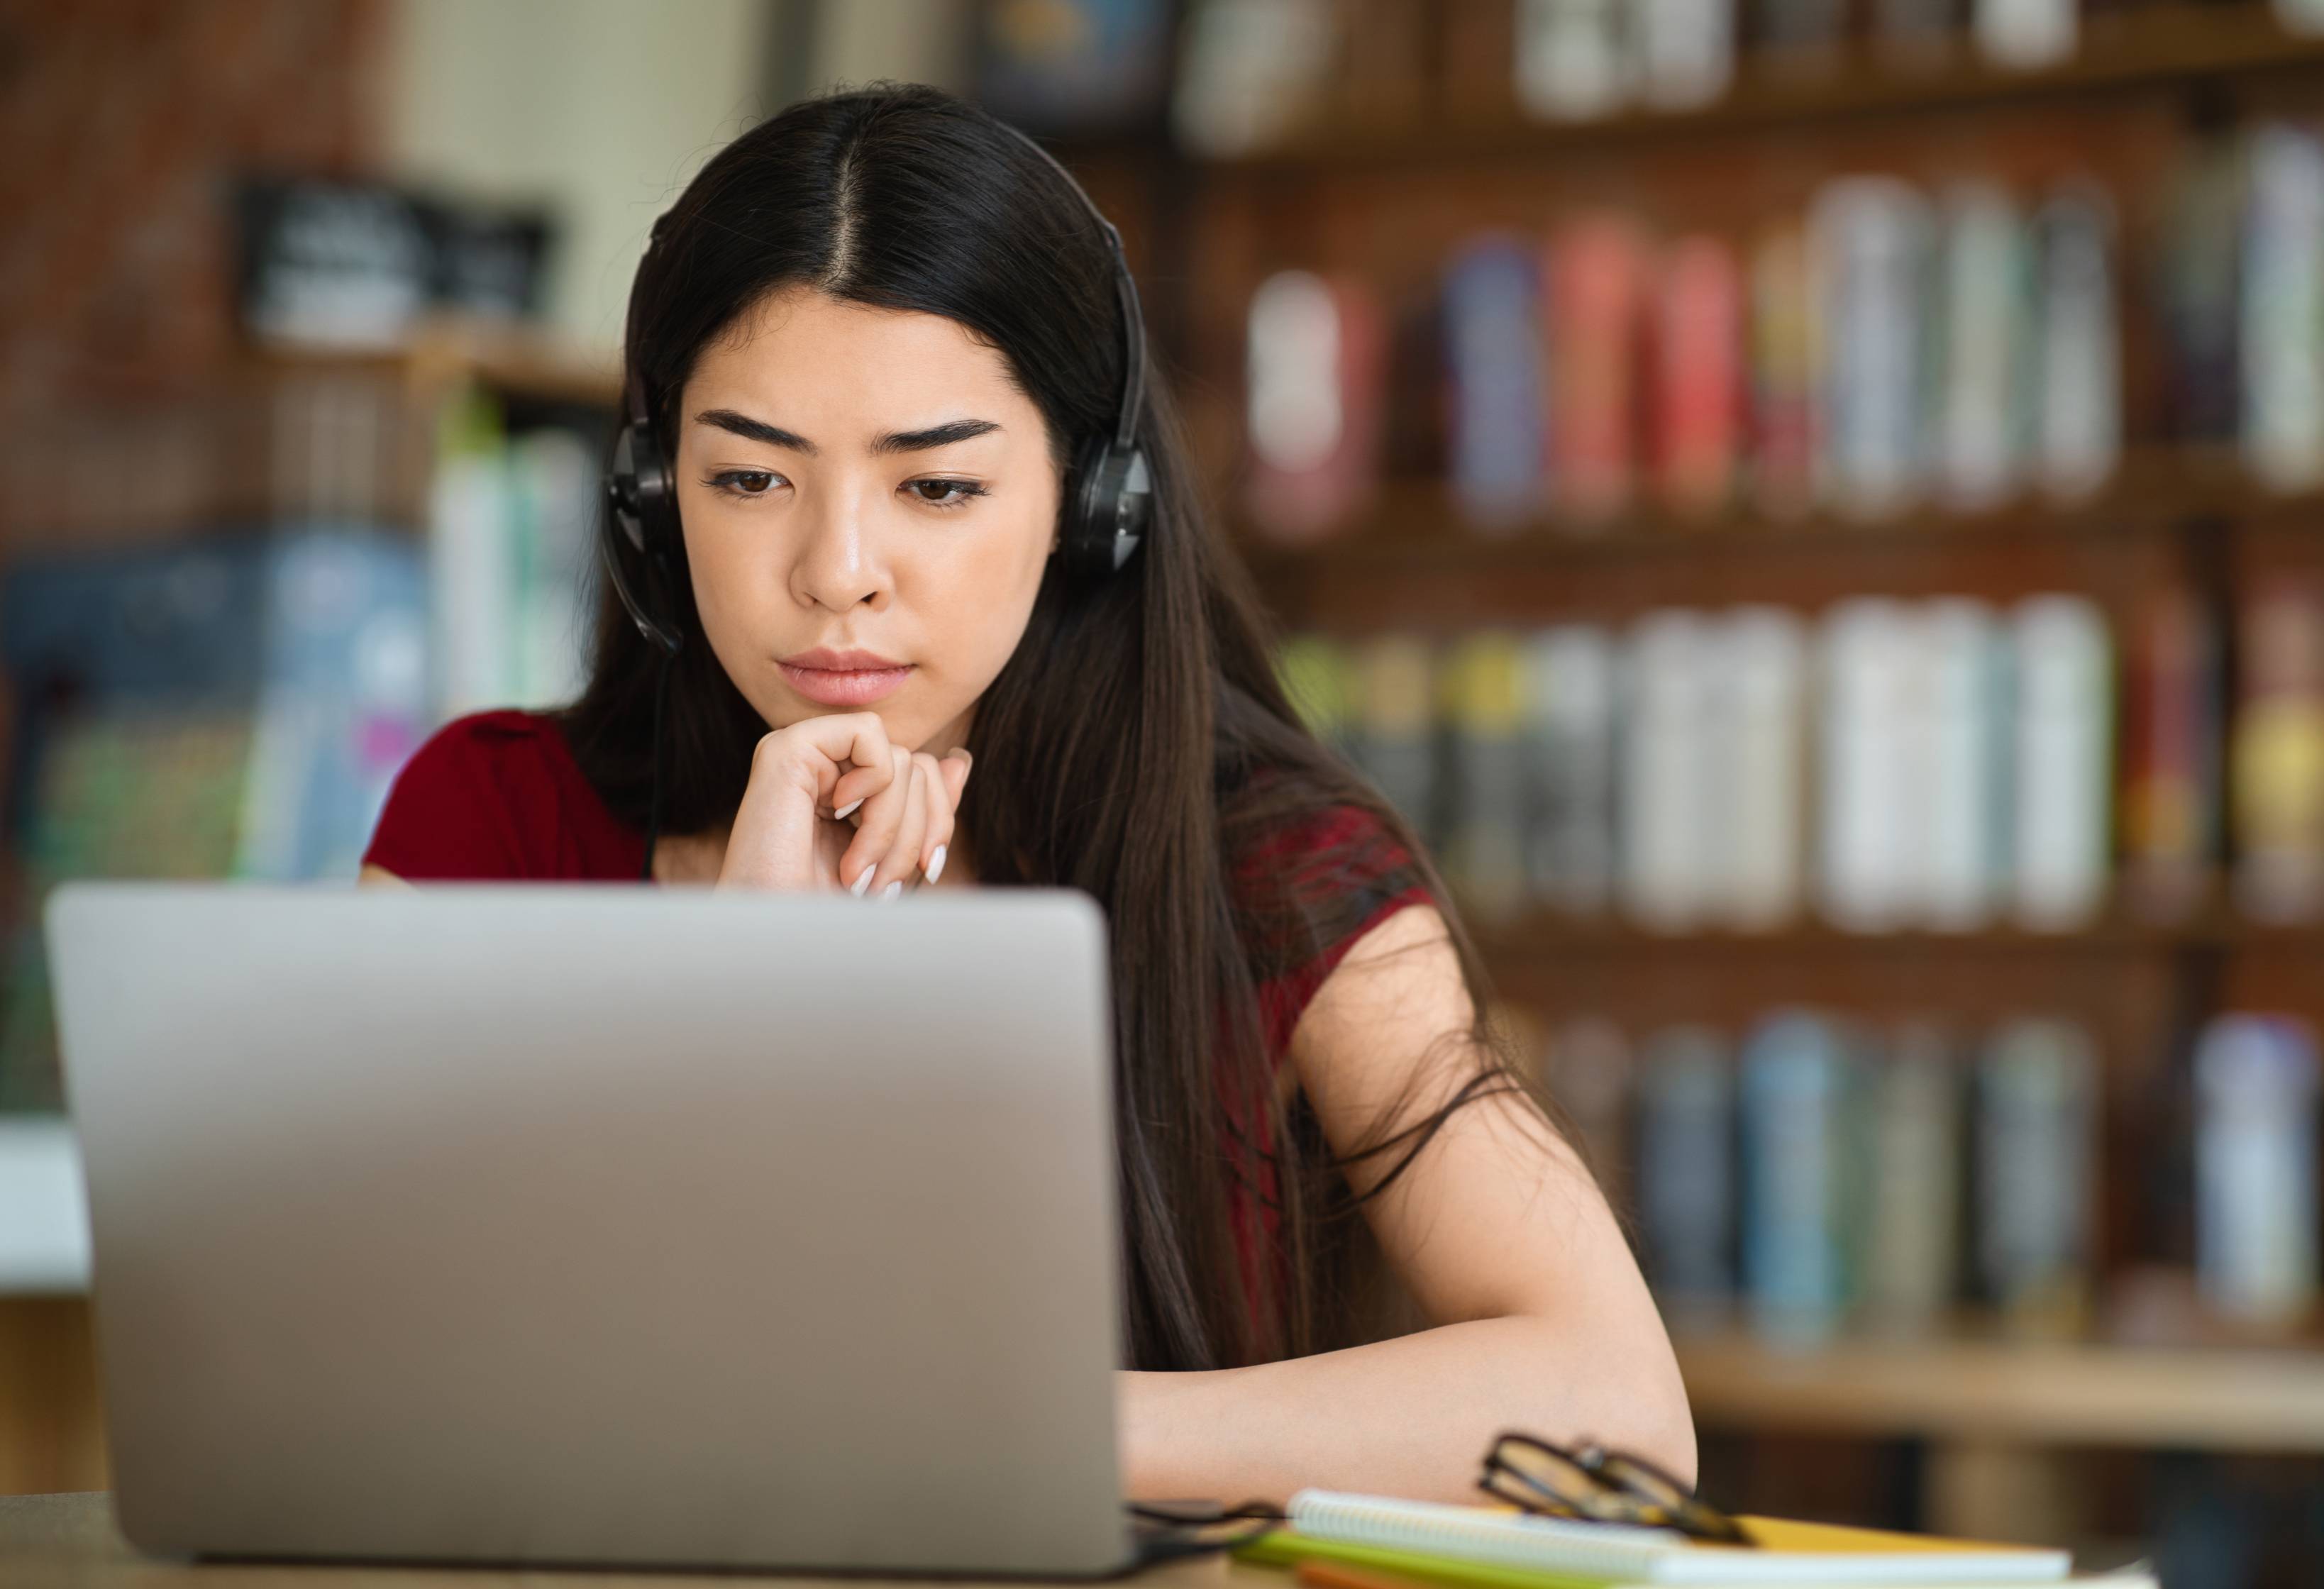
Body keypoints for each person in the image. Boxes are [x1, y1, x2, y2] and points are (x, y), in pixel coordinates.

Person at [360, 80, 1691, 1507]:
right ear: (648, 495)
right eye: (749, 478)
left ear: (1089, 504)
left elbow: (1614, 1412)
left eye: (935, 491)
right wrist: (732, 998)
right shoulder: (484, 825)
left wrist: (992, 1426)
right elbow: (347, 1363)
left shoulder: (1275, 870)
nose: (835, 570)